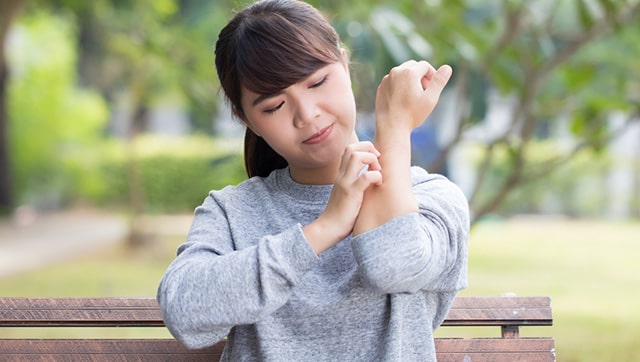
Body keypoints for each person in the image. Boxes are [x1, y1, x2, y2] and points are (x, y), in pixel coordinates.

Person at [157, 0, 470, 360]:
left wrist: (395, 127)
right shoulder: (232, 212)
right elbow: (183, 311)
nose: (307, 115)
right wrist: (325, 228)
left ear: (344, 64)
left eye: (318, 82)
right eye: (274, 106)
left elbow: (393, 265)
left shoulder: (430, 198)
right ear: (249, 121)